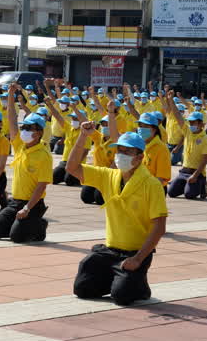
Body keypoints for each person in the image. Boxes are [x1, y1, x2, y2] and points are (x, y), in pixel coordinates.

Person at [68, 126, 167, 306]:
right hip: (110, 250)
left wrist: (138, 259)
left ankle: (138, 285)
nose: (121, 155)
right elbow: (72, 168)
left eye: (127, 152)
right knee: (82, 289)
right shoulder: (109, 175)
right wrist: (83, 136)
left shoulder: (152, 185)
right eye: (119, 150)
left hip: (135, 253)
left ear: (140, 157)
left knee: (122, 297)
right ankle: (118, 279)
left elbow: (159, 227)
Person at [0, 85, 52, 242]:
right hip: (15, 201)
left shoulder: (44, 155)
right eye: (24, 127)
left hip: (33, 204)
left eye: (29, 128)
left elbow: (41, 186)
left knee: (17, 237)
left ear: (39, 133)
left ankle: (39, 225)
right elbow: (11, 119)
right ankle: (24, 225)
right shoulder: (19, 146)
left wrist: (27, 208)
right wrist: (10, 95)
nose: (24, 130)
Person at [166, 91, 207, 200]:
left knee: (189, 195)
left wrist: (195, 175)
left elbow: (205, 160)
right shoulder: (187, 131)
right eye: (190, 122)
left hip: (196, 172)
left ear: (201, 124)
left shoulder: (206, 139)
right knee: (171, 193)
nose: (191, 125)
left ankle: (202, 184)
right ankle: (186, 185)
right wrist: (171, 100)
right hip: (184, 171)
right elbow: (177, 115)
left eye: (193, 123)